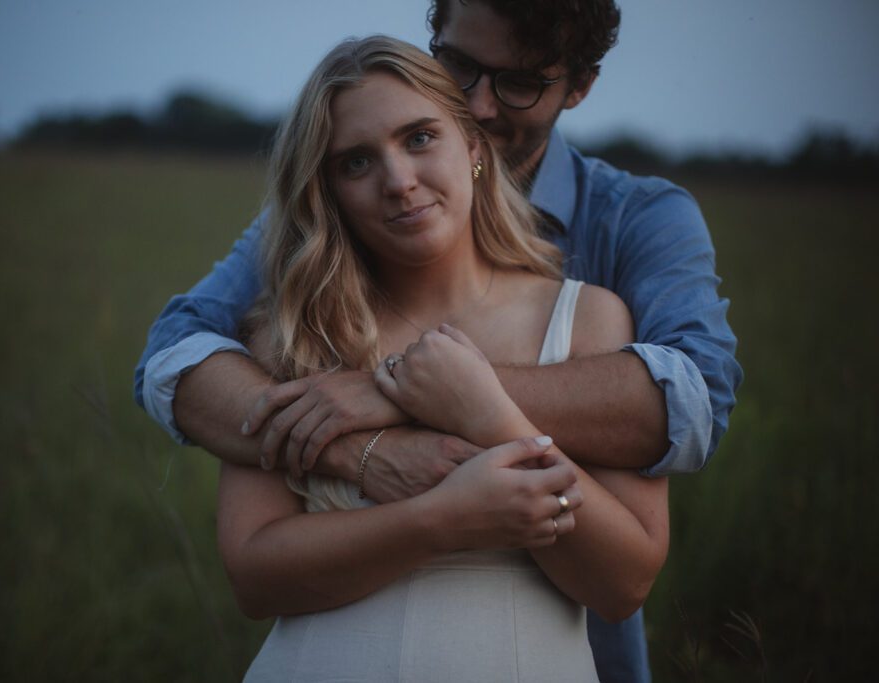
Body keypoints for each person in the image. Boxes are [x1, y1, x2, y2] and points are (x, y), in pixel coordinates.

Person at [136, 2, 741, 680]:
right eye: (458, 66)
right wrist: (385, 467)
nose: (479, 103)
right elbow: (180, 348)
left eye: (516, 82)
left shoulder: (615, 262)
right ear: (326, 188)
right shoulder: (295, 319)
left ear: (578, 86)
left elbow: (687, 404)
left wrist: (440, 398)